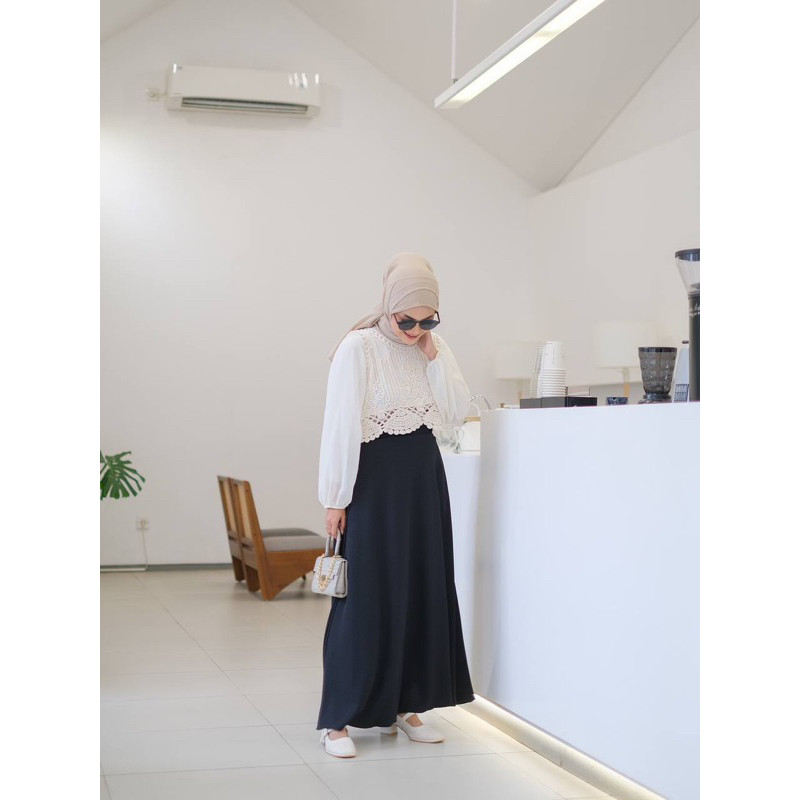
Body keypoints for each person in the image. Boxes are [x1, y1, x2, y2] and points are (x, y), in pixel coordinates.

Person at [316, 252, 475, 758]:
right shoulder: (357, 346)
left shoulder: (432, 346)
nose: (416, 330)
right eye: (407, 320)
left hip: (423, 479)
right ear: (388, 306)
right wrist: (335, 498)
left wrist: (435, 356)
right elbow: (340, 423)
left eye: (428, 320)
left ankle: (408, 707)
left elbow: (457, 412)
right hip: (373, 483)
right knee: (365, 596)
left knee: (421, 589)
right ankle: (337, 720)